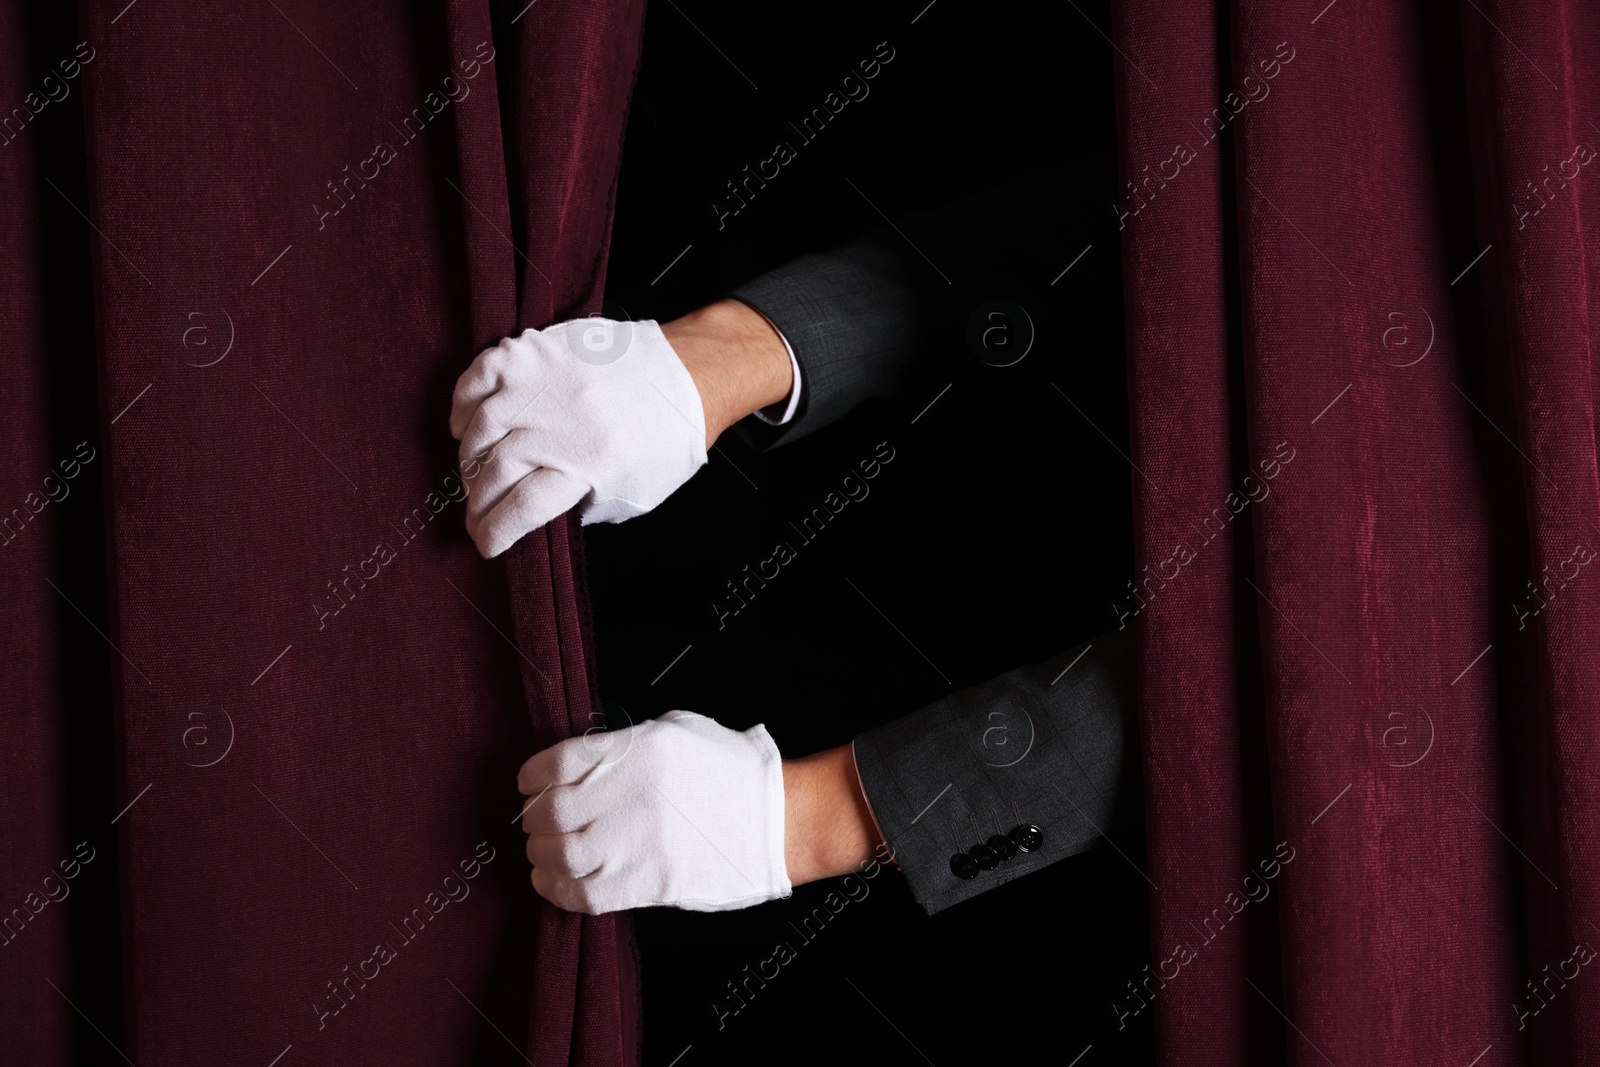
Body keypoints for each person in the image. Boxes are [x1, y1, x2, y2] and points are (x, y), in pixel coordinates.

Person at [449, 167, 1140, 918]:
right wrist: (724, 354)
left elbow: (1242, 691)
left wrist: (800, 823)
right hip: (861, 475)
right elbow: (1118, 230)